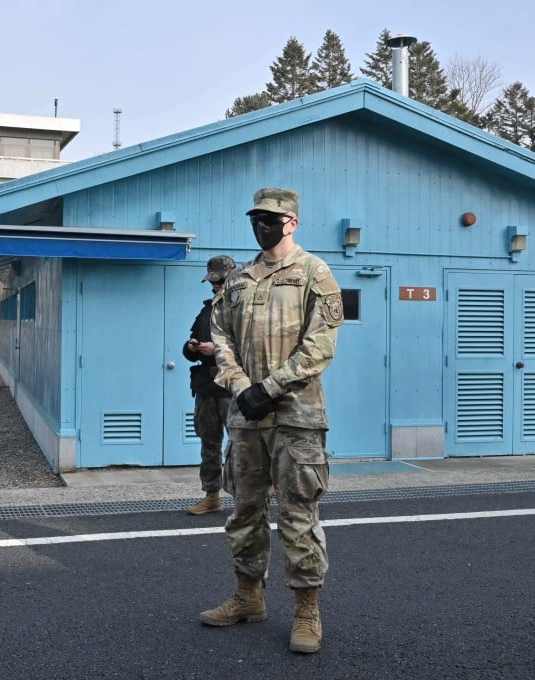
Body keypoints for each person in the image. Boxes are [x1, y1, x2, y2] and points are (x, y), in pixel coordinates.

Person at [199, 188, 343, 654]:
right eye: (257, 218)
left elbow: (319, 345)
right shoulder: (239, 279)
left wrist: (271, 387)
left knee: (298, 515)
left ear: (292, 221)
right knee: (244, 511)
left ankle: (306, 612)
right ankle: (248, 597)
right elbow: (218, 335)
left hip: (296, 418)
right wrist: (242, 387)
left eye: (272, 218)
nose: (263, 225)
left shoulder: (313, 273)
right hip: (246, 417)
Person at [182, 255, 235, 515]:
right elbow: (190, 346)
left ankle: (248, 497)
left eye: (220, 281)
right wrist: (191, 348)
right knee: (209, 445)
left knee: (240, 445)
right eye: (212, 282)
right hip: (206, 387)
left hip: (232, 388)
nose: (215, 286)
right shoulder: (207, 310)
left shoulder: (242, 308)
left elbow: (252, 348)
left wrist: (217, 350)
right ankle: (212, 495)